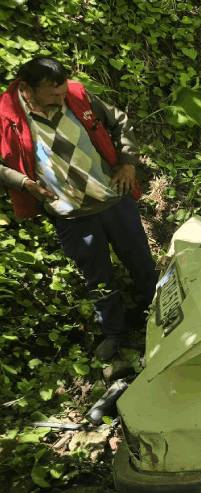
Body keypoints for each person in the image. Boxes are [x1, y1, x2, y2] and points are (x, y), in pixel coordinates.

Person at [0, 57, 156, 361]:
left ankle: (162, 312)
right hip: (70, 213)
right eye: (53, 94)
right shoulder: (6, 117)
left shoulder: (77, 95)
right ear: (28, 90)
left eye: (62, 91)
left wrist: (127, 163)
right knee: (97, 277)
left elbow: (119, 121)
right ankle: (116, 335)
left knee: (141, 261)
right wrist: (23, 182)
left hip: (113, 198)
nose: (62, 98)